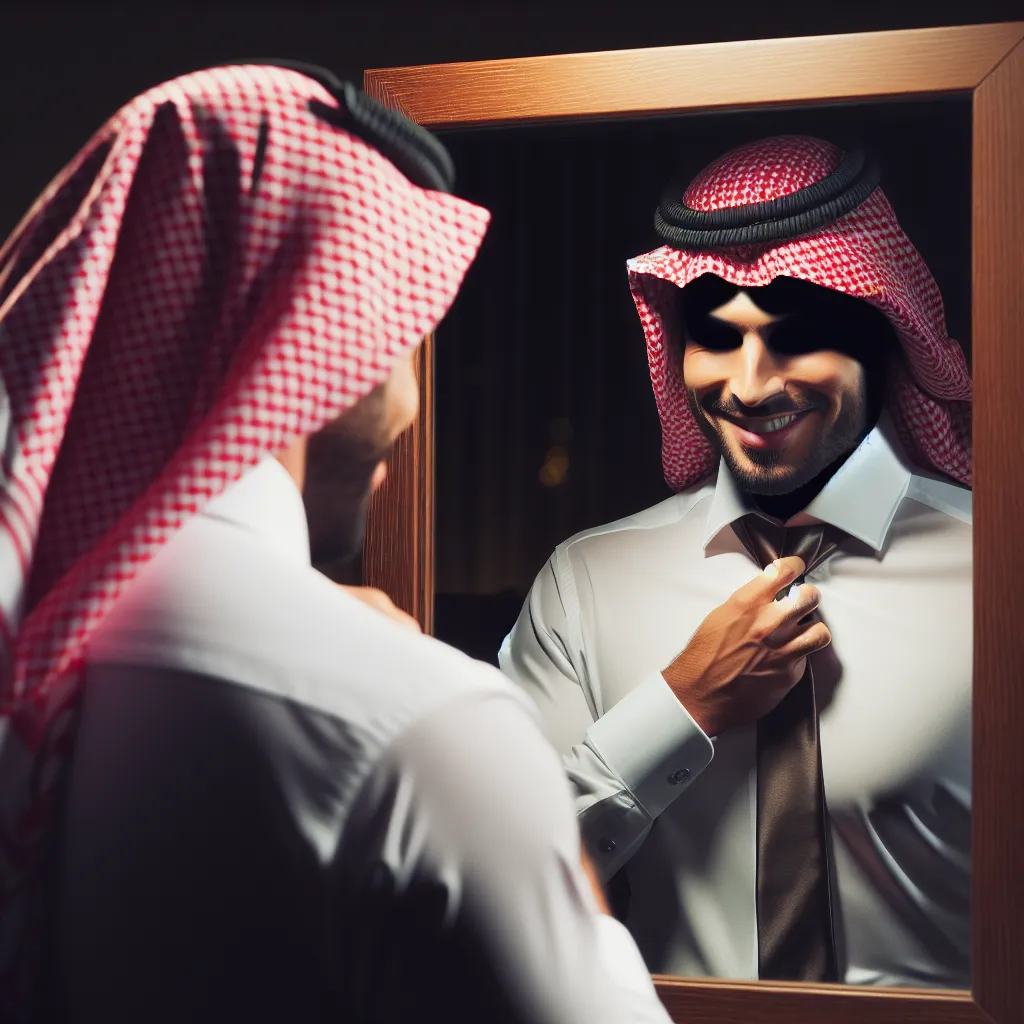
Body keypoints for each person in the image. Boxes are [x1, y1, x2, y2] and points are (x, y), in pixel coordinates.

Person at [0, 64, 673, 1023]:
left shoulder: (40, 628)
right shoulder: (420, 724)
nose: (412, 392)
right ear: (322, 330)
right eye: (404, 329)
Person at [500, 135, 972, 989]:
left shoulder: (998, 573)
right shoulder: (588, 584)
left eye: (793, 339)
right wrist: (680, 707)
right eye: (719, 337)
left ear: (881, 338)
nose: (751, 385)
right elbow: (490, 879)